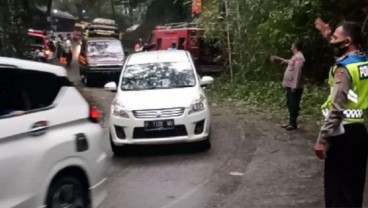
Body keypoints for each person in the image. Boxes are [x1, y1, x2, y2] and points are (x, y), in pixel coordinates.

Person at [314, 18, 368, 208]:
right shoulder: (363, 61)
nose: (331, 41)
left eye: (335, 38)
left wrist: (322, 139)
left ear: (347, 42)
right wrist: (327, 34)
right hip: (359, 131)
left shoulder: (343, 69)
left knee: (337, 191)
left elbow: (337, 109)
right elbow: (343, 52)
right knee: (354, 188)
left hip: (342, 134)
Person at [270, 41, 305, 130]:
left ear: (296, 47)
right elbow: (289, 61)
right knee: (290, 103)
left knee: (293, 104)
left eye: (292, 46)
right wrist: (279, 58)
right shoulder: (295, 57)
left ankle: (293, 123)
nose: (291, 48)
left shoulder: (299, 58)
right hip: (290, 85)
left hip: (294, 87)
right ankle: (291, 122)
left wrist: (294, 86)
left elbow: (297, 73)